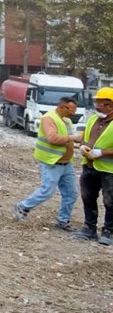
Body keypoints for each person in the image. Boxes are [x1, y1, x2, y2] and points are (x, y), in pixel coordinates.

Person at [14, 97, 82, 229]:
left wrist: (78, 145)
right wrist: (73, 137)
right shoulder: (48, 118)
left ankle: (63, 221)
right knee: (47, 190)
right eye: (71, 110)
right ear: (62, 107)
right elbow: (52, 138)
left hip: (66, 163)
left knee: (71, 193)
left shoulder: (66, 120)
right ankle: (23, 206)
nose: (73, 113)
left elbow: (67, 139)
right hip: (51, 162)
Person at [76, 88, 113, 244]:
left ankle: (109, 232)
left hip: (109, 170)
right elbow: (86, 136)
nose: (97, 106)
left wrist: (102, 153)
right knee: (88, 198)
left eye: (100, 103)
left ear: (110, 105)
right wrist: (83, 146)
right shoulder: (93, 119)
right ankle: (89, 229)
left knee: (110, 201)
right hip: (89, 166)